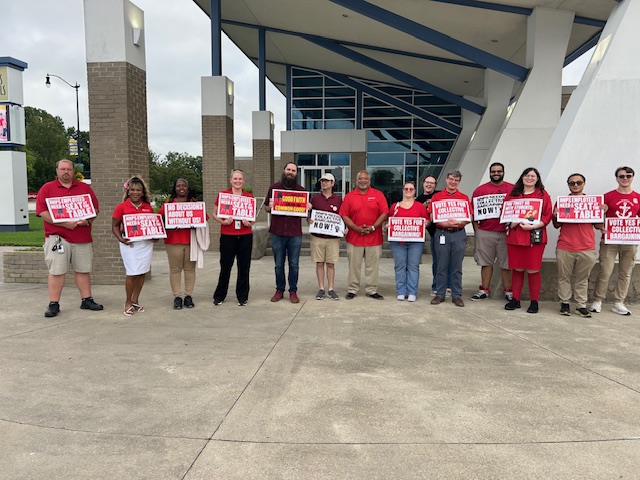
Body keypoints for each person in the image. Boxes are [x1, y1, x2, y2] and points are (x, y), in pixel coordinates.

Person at [35, 159, 103, 318]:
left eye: (69, 169)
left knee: (83, 270)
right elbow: (42, 212)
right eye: (63, 169)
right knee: (56, 271)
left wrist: (88, 220)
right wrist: (64, 224)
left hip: (81, 236)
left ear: (74, 171)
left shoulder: (84, 188)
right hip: (57, 237)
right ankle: (54, 303)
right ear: (57, 171)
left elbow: (94, 209)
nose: (66, 172)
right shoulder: (47, 188)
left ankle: (87, 299)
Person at [589, 166, 640, 315]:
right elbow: (595, 219)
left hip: (629, 241)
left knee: (626, 272)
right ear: (616, 178)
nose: (625, 178)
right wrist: (601, 226)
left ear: (633, 177)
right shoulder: (607, 196)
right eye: (622, 176)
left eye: (628, 176)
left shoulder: (638, 197)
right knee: (605, 271)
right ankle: (598, 300)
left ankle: (619, 302)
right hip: (609, 241)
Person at [503, 167, 553, 314]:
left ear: (537, 179)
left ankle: (534, 301)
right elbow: (505, 213)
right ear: (522, 177)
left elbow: (547, 215)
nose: (530, 178)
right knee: (517, 268)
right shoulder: (512, 194)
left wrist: (535, 225)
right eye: (527, 175)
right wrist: (511, 223)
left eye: (533, 176)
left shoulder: (543, 195)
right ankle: (516, 299)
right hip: (515, 237)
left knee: (533, 269)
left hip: (534, 237)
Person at [552, 173, 601, 317]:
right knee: (563, 277)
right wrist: (555, 216)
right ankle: (565, 303)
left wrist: (600, 212)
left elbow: (598, 225)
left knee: (582, 278)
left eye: (579, 183)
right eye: (572, 183)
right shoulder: (562, 202)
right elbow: (556, 225)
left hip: (587, 246)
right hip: (565, 246)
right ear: (568, 185)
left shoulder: (592, 202)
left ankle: (581, 305)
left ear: (584, 184)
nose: (575, 185)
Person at [340, 170, 389, 300]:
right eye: (360, 178)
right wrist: (356, 228)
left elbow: (384, 213)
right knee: (353, 266)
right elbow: (344, 215)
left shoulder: (378, 195)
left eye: (365, 179)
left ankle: (371, 290)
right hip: (354, 238)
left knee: (372, 266)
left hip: (374, 238)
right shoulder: (350, 196)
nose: (363, 181)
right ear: (356, 181)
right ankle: (352, 289)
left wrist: (373, 227)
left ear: (369, 180)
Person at [112, 176, 155, 317]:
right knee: (132, 273)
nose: (135, 192)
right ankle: (127, 302)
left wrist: (155, 236)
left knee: (142, 272)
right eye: (132, 190)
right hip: (129, 244)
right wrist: (121, 239)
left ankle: (135, 300)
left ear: (143, 193)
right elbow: (115, 226)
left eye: (138, 190)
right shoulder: (122, 207)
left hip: (145, 244)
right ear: (128, 191)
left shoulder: (148, 207)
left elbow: (153, 226)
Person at [470, 162, 514, 301]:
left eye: (499, 171)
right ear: (490, 173)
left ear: (503, 172)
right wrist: (478, 232)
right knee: (486, 263)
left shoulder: (512, 189)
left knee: (506, 264)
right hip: (485, 231)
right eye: (493, 171)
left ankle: (508, 291)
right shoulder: (480, 190)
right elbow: (474, 213)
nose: (496, 173)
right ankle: (484, 290)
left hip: (506, 232)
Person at [265, 162, 307, 303]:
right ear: (284, 171)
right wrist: (269, 206)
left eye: (293, 170)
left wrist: (309, 208)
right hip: (277, 231)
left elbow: (306, 212)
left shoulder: (301, 190)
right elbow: (266, 208)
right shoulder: (274, 188)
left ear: (296, 173)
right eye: (288, 169)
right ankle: (279, 290)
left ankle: (293, 291)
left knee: (294, 264)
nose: (290, 172)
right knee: (278, 264)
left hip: (294, 233)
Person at [427, 169, 470, 307]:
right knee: (441, 265)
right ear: (446, 180)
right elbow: (432, 217)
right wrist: (445, 223)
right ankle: (440, 294)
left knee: (457, 266)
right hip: (442, 233)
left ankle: (456, 295)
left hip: (458, 233)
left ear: (459, 182)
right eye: (451, 179)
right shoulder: (437, 197)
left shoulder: (463, 198)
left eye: (456, 180)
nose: (453, 182)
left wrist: (458, 223)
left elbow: (468, 218)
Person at [212, 169, 255, 306]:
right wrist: (223, 222)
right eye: (235, 179)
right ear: (230, 180)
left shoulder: (249, 197)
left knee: (244, 267)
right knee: (225, 266)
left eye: (240, 179)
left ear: (243, 181)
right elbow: (214, 214)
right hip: (228, 235)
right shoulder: (223, 195)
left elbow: (252, 218)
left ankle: (242, 296)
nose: (237, 181)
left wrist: (249, 223)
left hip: (245, 236)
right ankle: (220, 295)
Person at [158, 178, 198, 310]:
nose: (181, 188)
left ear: (188, 188)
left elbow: (204, 219)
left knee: (190, 269)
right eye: (178, 186)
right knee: (175, 270)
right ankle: (177, 296)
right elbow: (159, 220)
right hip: (173, 241)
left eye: (184, 186)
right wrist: (169, 225)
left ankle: (188, 295)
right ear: (174, 188)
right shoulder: (168, 204)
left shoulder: (194, 203)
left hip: (190, 241)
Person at [388, 181, 428, 302]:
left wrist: (425, 223)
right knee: (400, 266)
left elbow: (427, 220)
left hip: (415, 242)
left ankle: (412, 292)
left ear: (415, 191)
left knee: (413, 266)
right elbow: (389, 220)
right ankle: (401, 291)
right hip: (398, 242)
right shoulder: (395, 206)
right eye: (406, 189)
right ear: (403, 190)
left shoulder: (420, 206)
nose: (408, 191)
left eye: (411, 189)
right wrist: (388, 226)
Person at [308, 172, 342, 301]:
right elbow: (309, 216)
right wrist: (309, 220)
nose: (324, 183)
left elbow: (343, 217)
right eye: (322, 181)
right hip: (318, 236)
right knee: (319, 263)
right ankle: (321, 288)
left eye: (327, 181)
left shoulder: (339, 200)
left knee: (331, 264)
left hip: (333, 238)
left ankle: (331, 289)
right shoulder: (315, 199)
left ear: (332, 183)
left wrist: (344, 228)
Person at [416, 175, 447, 295]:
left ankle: (448, 286)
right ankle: (436, 286)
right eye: (427, 182)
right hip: (434, 232)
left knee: (447, 261)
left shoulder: (440, 195)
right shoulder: (419, 199)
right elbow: (417, 215)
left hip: (446, 230)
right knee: (437, 262)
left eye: (432, 183)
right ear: (423, 183)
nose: (429, 185)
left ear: (435, 185)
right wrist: (424, 205)